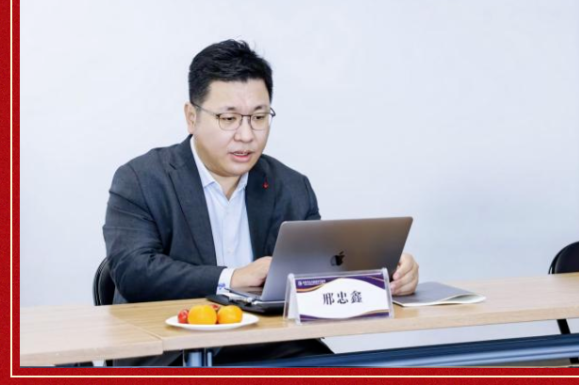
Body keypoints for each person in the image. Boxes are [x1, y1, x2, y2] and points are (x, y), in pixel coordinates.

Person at [103, 40, 419, 366]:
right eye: (229, 118)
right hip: (172, 351)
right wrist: (231, 278)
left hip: (272, 345)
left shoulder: (292, 186)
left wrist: (386, 276)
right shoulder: (141, 179)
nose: (246, 135)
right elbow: (133, 271)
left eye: (258, 116)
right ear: (191, 117)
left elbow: (318, 276)